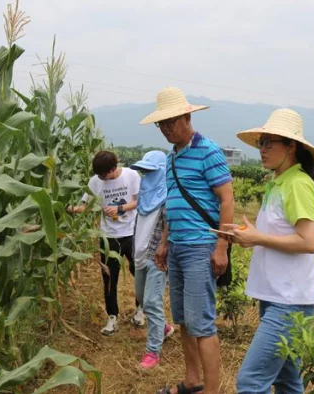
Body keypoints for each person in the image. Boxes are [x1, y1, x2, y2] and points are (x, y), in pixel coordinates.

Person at [139, 87, 234, 394]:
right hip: (178, 246)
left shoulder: (208, 150)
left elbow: (227, 198)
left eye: (171, 122)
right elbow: (172, 204)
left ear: (187, 116)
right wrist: (165, 242)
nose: (166, 129)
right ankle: (192, 380)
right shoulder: (171, 158)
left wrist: (221, 245)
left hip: (200, 246)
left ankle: (211, 389)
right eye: (161, 124)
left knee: (202, 323)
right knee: (183, 320)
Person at [228, 108, 314, 394]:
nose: (263, 149)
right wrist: (251, 236)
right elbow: (278, 234)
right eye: (261, 143)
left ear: (291, 147)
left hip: (288, 301)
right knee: (287, 380)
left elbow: (309, 241)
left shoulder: (297, 184)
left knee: (250, 381)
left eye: (270, 143)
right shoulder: (277, 183)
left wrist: (258, 238)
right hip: (275, 296)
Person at [69, 150, 144, 335]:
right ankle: (112, 317)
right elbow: (87, 206)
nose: (101, 178)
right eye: (99, 175)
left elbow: (139, 201)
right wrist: (72, 209)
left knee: (140, 274)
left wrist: (120, 207)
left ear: (114, 168)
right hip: (108, 236)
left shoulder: (131, 175)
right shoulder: (95, 181)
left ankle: (141, 309)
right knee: (109, 278)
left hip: (132, 233)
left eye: (105, 175)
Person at [129, 150, 175, 369]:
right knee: (141, 297)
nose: (146, 177)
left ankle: (152, 352)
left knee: (151, 302)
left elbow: (169, 227)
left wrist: (163, 248)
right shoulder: (144, 195)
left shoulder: (168, 198)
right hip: (140, 254)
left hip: (156, 257)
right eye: (144, 172)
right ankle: (164, 327)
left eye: (150, 172)